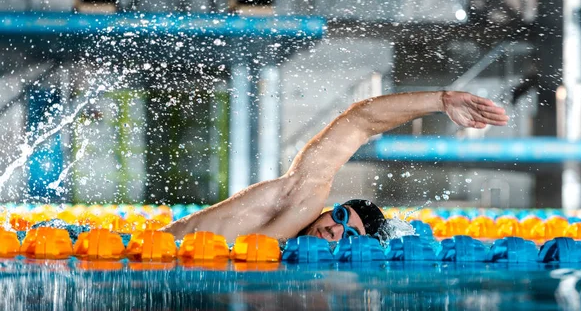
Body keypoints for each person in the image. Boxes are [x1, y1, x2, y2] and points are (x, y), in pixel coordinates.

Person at [161, 90, 509, 243]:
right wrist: (440, 100)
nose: (334, 231)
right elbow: (359, 122)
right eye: (340, 217)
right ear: (331, 209)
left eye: (350, 235)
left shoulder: (292, 250)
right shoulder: (299, 201)